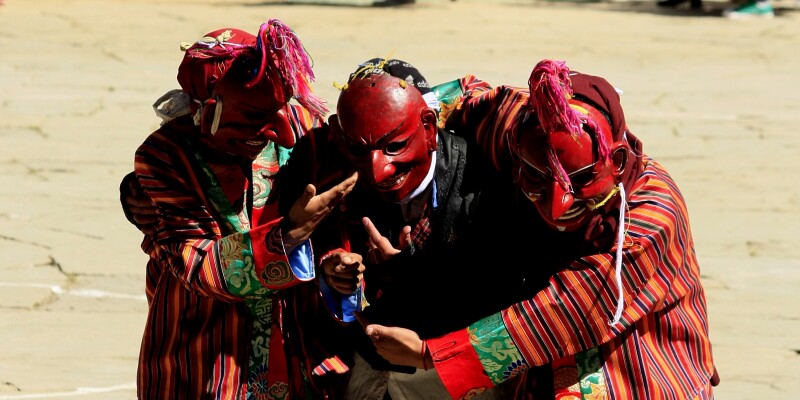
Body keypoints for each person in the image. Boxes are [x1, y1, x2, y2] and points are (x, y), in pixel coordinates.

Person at [361, 59, 720, 399]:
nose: (557, 205)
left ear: (618, 161)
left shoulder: (651, 216)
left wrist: (431, 355)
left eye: (581, 180)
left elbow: (561, 313)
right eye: (537, 178)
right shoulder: (517, 129)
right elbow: (465, 95)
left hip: (638, 367)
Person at [120, 20, 362, 399]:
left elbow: (338, 214)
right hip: (204, 358)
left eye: (280, 109)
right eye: (253, 116)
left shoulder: (303, 126)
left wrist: (333, 261)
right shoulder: (165, 156)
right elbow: (196, 264)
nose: (281, 133)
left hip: (298, 353)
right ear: (208, 107)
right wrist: (288, 235)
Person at [274, 58, 530, 399]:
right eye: (359, 149)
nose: (377, 171)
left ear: (428, 128)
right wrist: (334, 269)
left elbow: (502, 297)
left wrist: (412, 275)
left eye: (394, 146)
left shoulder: (483, 188)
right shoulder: (339, 175)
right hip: (370, 369)